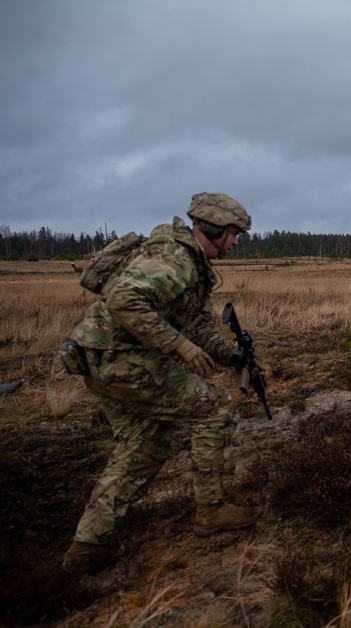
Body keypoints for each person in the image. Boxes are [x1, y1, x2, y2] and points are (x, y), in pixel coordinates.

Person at [61, 192, 262, 576]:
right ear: (215, 228)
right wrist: (181, 348)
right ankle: (213, 509)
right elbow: (125, 300)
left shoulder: (188, 260)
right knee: (216, 409)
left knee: (144, 445)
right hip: (122, 360)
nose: (236, 242)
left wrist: (227, 355)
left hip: (100, 359)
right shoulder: (176, 259)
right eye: (234, 234)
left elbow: (196, 323)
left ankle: (87, 548)